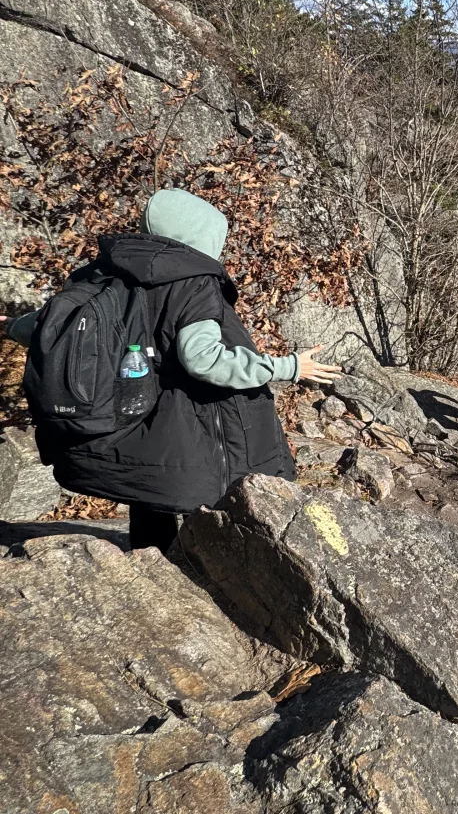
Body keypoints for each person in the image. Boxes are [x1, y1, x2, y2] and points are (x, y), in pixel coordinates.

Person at [2, 188, 340, 550]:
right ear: (202, 237)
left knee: (151, 495)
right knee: (206, 508)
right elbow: (204, 359)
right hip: (186, 425)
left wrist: (10, 325)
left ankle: (150, 560)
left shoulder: (106, 272)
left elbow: (50, 326)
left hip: (131, 420)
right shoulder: (194, 282)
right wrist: (288, 366)